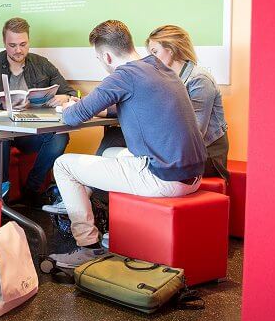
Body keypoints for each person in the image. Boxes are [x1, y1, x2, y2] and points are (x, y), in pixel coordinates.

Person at [46, 20, 206, 268]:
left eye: (99, 59)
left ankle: (87, 246)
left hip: (163, 178)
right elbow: (126, 103)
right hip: (193, 176)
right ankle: (87, 206)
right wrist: (96, 108)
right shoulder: (158, 68)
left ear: (107, 57)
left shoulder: (123, 75)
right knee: (109, 152)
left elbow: (73, 117)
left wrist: (69, 106)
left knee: (64, 165)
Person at [0, 17, 77, 205]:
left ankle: (32, 189)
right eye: (12, 45)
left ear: (29, 41)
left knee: (60, 137)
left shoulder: (42, 64)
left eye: (23, 44)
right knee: (1, 136)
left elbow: (71, 92)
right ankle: (1, 198)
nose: (18, 50)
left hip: (27, 131)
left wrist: (65, 97)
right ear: (4, 42)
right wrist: (4, 106)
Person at [147, 25, 230, 181]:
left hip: (207, 156)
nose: (151, 58)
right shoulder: (167, 79)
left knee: (143, 164)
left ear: (170, 49)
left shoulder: (200, 80)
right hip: (182, 151)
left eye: (154, 52)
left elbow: (195, 133)